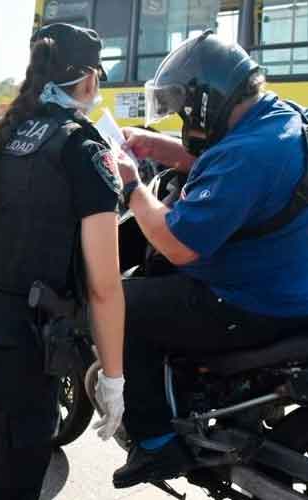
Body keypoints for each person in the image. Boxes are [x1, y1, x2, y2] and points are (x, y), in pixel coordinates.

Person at [0, 23, 126, 499]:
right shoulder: (82, 149)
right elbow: (105, 286)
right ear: (87, 80)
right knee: (5, 484)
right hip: (16, 349)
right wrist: (114, 380)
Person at [113, 32, 308, 489]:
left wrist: (132, 187)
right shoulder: (279, 119)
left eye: (183, 106)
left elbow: (178, 244)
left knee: (118, 304)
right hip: (291, 282)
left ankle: (156, 443)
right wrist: (159, 148)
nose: (181, 116)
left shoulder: (248, 155)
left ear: (206, 101)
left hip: (251, 302)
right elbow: (232, 167)